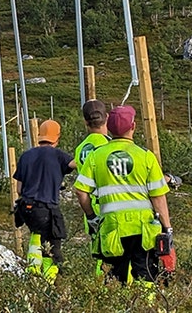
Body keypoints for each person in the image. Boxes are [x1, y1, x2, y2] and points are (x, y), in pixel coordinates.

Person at [73, 105, 173, 290]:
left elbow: (81, 191)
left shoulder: (96, 156)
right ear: (133, 126)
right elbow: (158, 197)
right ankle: (146, 308)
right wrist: (167, 228)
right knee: (145, 275)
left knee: (115, 277)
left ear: (109, 126)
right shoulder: (145, 156)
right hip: (143, 229)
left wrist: (91, 216)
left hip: (112, 228)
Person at [12, 119, 74, 281]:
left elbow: (19, 189)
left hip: (26, 208)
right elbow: (76, 164)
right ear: (57, 137)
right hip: (47, 208)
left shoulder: (26, 156)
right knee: (53, 246)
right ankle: (49, 281)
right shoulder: (58, 155)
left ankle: (32, 270)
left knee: (37, 234)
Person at [75, 99, 111, 276]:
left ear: (85, 121)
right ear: (107, 118)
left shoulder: (81, 148)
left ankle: (100, 292)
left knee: (99, 254)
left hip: (90, 207)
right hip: (108, 205)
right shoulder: (108, 146)